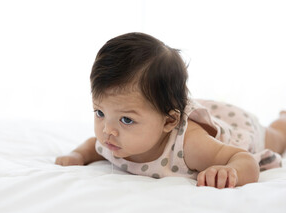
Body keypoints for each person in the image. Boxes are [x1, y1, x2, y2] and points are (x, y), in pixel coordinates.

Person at [56, 32, 285, 189]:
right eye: (99, 113)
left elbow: (244, 160)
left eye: (126, 119)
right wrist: (78, 155)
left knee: (278, 136)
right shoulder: (113, 138)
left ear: (168, 122)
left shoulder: (190, 145)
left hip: (237, 126)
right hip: (184, 107)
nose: (108, 130)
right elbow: (92, 147)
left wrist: (230, 171)